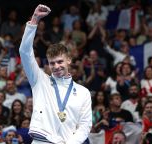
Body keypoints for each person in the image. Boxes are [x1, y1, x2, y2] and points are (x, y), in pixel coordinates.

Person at [19, 4, 92, 144]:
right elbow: (25, 53)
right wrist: (34, 20)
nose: (56, 66)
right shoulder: (40, 81)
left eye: (60, 62)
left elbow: (85, 125)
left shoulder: (83, 92)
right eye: (52, 63)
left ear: (69, 60)